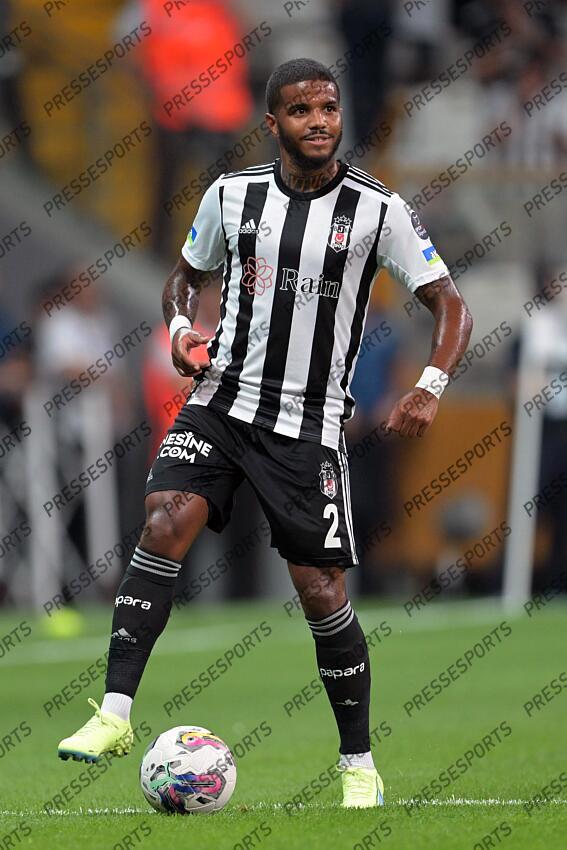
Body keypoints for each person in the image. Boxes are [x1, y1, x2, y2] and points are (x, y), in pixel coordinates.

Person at [58, 58, 472, 808]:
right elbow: (183, 275)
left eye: (328, 107)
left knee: (318, 589)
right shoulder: (231, 194)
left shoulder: (376, 208)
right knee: (163, 520)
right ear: (272, 123)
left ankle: (357, 763)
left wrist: (428, 386)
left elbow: (449, 303)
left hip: (306, 423)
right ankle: (114, 714)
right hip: (221, 399)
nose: (319, 121)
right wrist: (183, 329)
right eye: (301, 110)